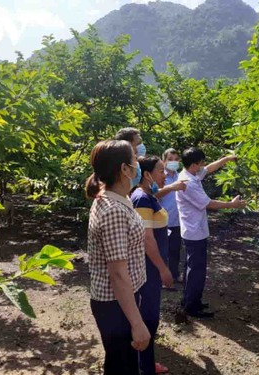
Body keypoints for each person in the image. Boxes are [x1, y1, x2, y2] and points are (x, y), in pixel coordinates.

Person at [86, 140, 150, 375]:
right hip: (116, 304)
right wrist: (137, 323)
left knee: (119, 364)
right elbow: (118, 274)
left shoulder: (116, 199)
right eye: (135, 159)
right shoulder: (113, 210)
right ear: (124, 169)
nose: (138, 164)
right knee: (124, 366)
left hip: (123, 300)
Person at [176, 147, 247, 318]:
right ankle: (192, 306)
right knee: (196, 270)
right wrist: (232, 205)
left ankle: (189, 300)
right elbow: (209, 203)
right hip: (195, 232)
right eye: (200, 164)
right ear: (194, 165)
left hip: (192, 229)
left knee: (191, 267)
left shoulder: (190, 173)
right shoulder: (188, 183)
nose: (203, 166)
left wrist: (227, 159)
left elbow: (210, 168)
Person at [131, 156, 175, 375]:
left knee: (150, 316)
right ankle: (144, 366)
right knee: (148, 317)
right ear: (147, 174)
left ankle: (145, 363)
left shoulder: (149, 196)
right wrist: (163, 268)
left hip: (152, 267)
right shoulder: (142, 199)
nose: (165, 174)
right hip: (148, 268)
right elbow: (147, 239)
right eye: (160, 170)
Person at [157, 148, 183, 284]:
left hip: (177, 220)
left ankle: (174, 274)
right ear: (164, 161)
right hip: (163, 220)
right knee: (162, 251)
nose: (173, 162)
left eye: (176, 159)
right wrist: (171, 187)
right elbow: (155, 193)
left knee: (175, 250)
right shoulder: (162, 177)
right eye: (170, 159)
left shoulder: (180, 176)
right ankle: (162, 277)